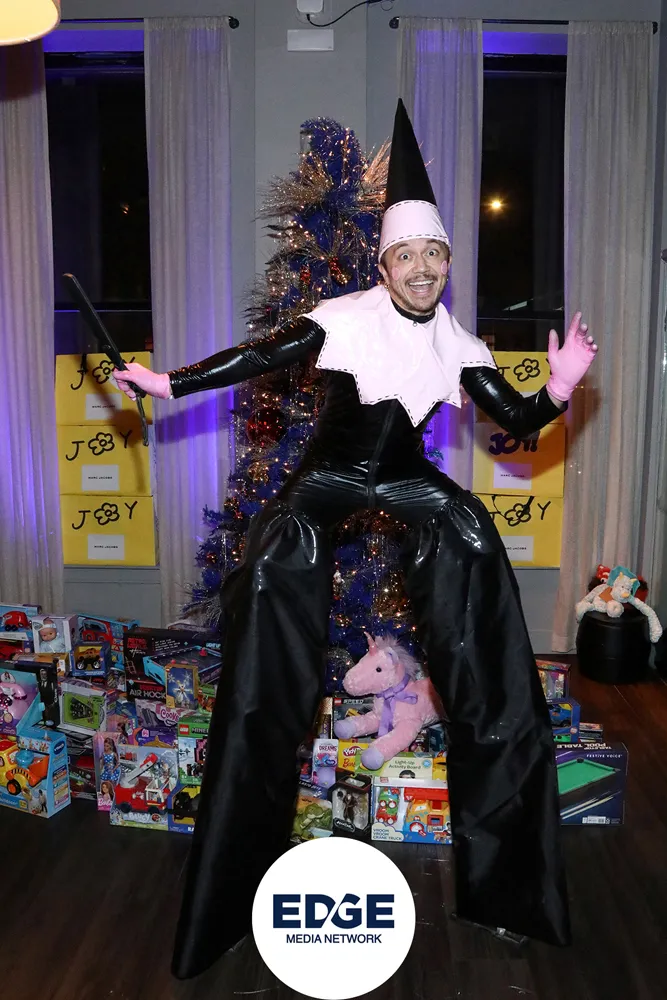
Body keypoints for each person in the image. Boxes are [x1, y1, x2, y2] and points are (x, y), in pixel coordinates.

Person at [114, 100, 597, 980]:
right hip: (329, 478)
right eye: (406, 255)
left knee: (474, 536)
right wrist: (168, 382)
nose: (422, 268)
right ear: (384, 264)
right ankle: (231, 889)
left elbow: (517, 420)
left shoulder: (457, 341)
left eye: (434, 255)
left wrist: (558, 387)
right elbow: (260, 355)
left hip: (408, 480)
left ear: (446, 265)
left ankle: (509, 887)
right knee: (271, 572)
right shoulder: (342, 316)